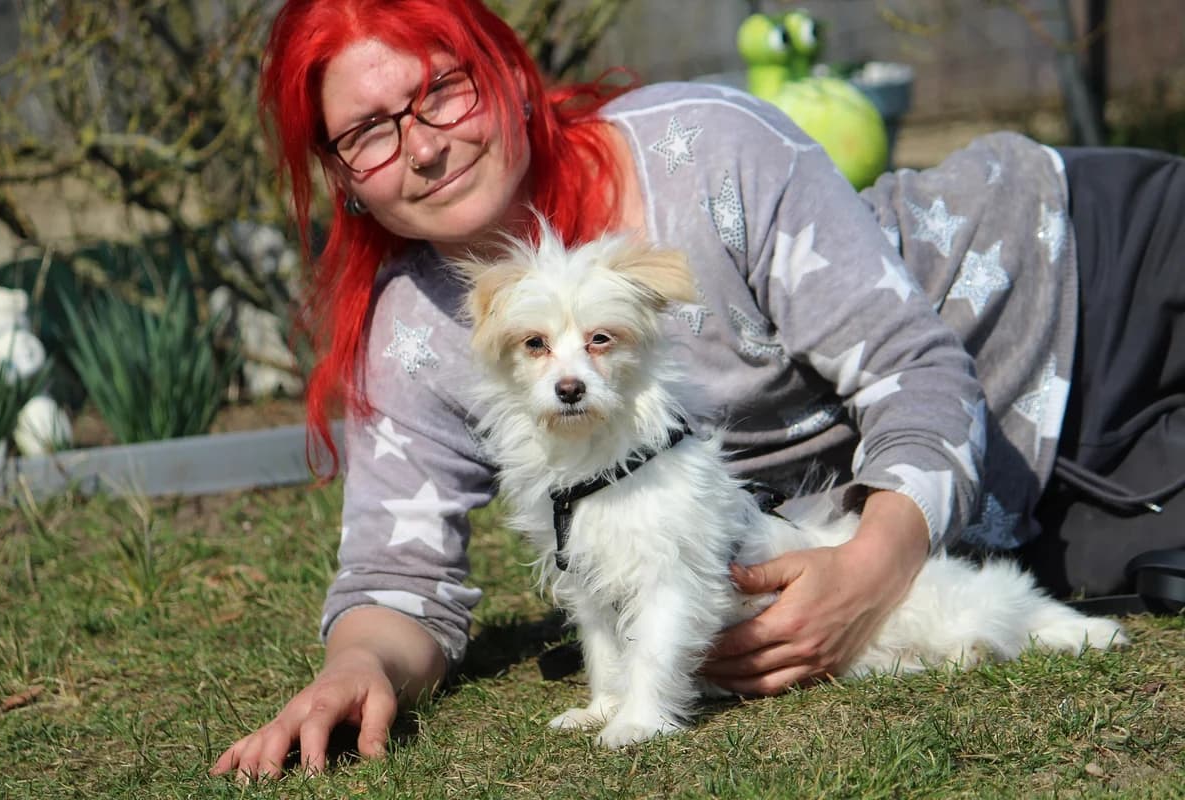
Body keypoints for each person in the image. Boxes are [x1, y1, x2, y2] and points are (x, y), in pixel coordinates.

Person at [211, 0, 1185, 780]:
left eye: (441, 90)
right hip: (1027, 488)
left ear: (505, 76)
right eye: (368, 133)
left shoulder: (706, 148)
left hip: (1084, 266)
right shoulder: (413, 334)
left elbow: (917, 370)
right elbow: (401, 577)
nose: (421, 146)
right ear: (342, 177)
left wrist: (869, 573)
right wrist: (356, 668)